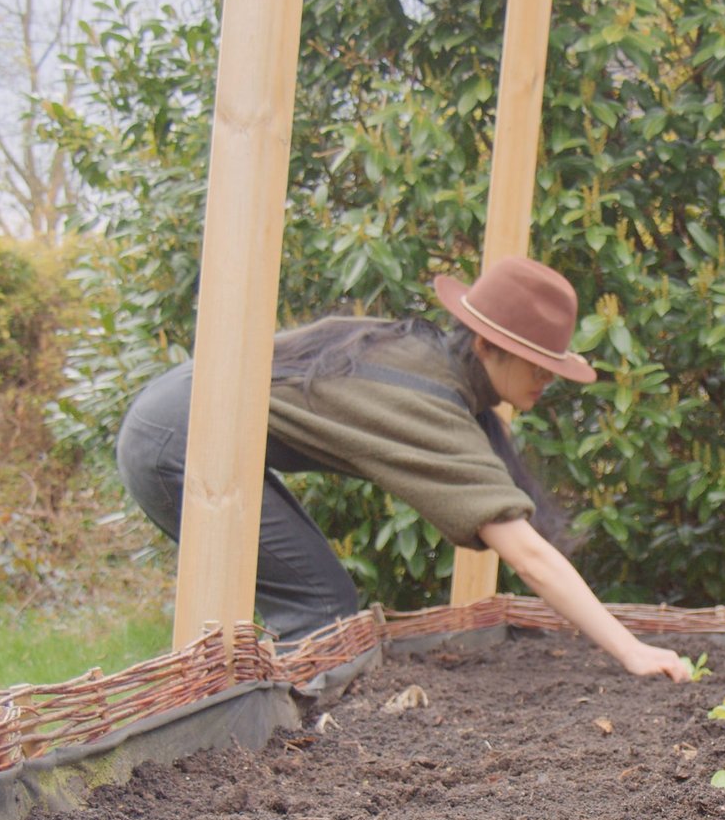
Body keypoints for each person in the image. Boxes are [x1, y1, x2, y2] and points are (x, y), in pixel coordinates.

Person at [117, 256, 693, 682]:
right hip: (179, 440)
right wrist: (631, 650)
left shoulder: (429, 363)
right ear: (487, 347)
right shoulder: (428, 400)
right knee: (320, 608)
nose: (547, 378)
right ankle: (285, 745)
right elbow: (529, 556)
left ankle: (278, 723)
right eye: (538, 363)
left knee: (321, 602)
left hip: (177, 419)